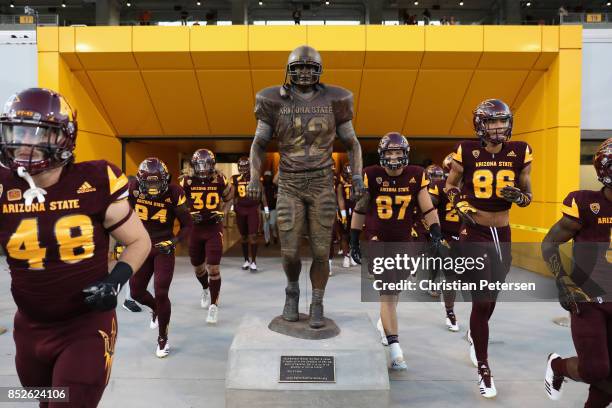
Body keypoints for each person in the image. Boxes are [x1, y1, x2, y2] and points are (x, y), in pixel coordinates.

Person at [0, 88, 150, 406]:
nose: (25, 143)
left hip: (84, 325)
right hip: (28, 327)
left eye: (39, 133)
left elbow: (139, 240)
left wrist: (115, 280)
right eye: (19, 131)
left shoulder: (95, 180)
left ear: (64, 139)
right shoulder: (3, 185)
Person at [248, 45, 364, 328]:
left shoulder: (335, 100)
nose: (303, 72)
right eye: (298, 67)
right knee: (288, 251)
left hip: (322, 182)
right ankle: (292, 291)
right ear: (289, 70)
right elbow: (259, 144)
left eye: (309, 67)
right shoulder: (273, 99)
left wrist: (358, 177)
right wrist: (254, 177)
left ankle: (317, 301)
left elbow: (352, 143)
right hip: (289, 182)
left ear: (318, 70)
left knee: (322, 252)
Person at [445, 99, 533, 398]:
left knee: (491, 296)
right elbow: (450, 186)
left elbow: (528, 195)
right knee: (482, 299)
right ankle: (484, 369)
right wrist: (460, 203)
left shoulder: (520, 151)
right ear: (480, 125)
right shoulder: (466, 150)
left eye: (502, 121)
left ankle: (474, 331)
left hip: (502, 231)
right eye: (492, 122)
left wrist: (520, 197)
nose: (498, 128)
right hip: (475, 229)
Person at [349, 132, 446, 370]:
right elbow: (360, 210)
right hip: (379, 241)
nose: (393, 157)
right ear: (382, 155)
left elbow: (427, 208)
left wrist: (435, 232)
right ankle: (395, 348)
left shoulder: (416, 174)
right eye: (389, 153)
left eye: (398, 153)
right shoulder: (371, 174)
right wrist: (353, 239)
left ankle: (385, 324)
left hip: (404, 241)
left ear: (406, 155)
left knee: (395, 289)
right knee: (388, 292)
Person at [542, 138, 612, 407]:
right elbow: (550, 242)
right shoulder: (585, 203)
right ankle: (557, 366)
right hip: (588, 298)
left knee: (608, 379)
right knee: (596, 370)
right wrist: (563, 281)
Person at [128, 158, 192, 358]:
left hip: (163, 246)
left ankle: (162, 338)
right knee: (136, 292)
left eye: (158, 182)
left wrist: (173, 242)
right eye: (150, 183)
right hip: (142, 246)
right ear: (140, 180)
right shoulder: (132, 189)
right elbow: (122, 215)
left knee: (161, 291)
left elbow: (187, 225)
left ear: (165, 179)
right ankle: (156, 309)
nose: (154, 188)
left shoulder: (174, 193)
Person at [181, 149, 233, 324]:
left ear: (212, 165)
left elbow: (230, 198)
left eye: (206, 165)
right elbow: (178, 205)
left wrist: (223, 213)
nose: (203, 169)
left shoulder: (220, 179)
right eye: (199, 165)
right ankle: (205, 288)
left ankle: (213, 306)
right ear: (193, 166)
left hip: (213, 227)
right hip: (196, 229)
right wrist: (188, 214)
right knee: (198, 267)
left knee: (213, 268)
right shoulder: (186, 181)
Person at [427, 161, 461, 332]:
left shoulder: (474, 187)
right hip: (445, 235)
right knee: (450, 274)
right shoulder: (439, 186)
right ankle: (450, 312)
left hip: (466, 236)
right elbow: (429, 207)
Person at [233, 156, 267, 272]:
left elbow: (262, 193)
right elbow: (233, 195)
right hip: (240, 209)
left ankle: (253, 261)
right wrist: (233, 207)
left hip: (252, 208)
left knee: (253, 236)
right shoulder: (235, 179)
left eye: (245, 166)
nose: (242, 168)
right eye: (241, 166)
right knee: (243, 237)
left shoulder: (255, 178)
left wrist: (266, 209)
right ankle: (246, 260)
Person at [337, 163, 358, 269]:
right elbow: (340, 199)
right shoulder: (341, 184)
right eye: (348, 174)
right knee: (344, 235)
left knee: (354, 235)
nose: (350, 177)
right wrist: (343, 214)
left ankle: (353, 255)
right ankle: (346, 256)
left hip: (356, 211)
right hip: (345, 212)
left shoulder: (358, 184)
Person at [262, 170, 278, 246]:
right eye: (266, 176)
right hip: (264, 208)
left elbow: (278, 195)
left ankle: (274, 235)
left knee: (272, 224)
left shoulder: (274, 185)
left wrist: (277, 196)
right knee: (266, 224)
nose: (267, 178)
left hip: (273, 207)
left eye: (269, 176)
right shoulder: (261, 185)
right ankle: (267, 240)